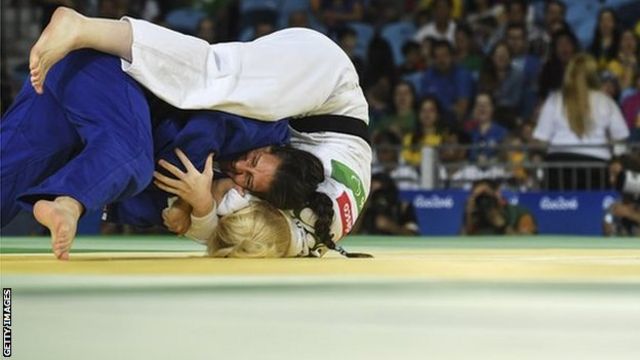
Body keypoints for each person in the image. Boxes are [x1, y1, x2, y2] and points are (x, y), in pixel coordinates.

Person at [29, 8, 372, 253]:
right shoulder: (290, 223)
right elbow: (223, 222)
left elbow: (228, 233)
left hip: (312, 98)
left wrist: (193, 212)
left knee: (203, 112)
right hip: (327, 80)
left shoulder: (298, 223)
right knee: (212, 76)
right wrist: (199, 210)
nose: (239, 177)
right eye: (249, 176)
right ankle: (82, 27)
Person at [0, 50, 291, 259]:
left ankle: (67, 199)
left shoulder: (205, 198)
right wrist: (185, 204)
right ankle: (68, 202)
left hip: (69, 96)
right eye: (252, 163)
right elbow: (205, 127)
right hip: (106, 73)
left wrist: (190, 208)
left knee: (7, 180)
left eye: (247, 183)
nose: (240, 170)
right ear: (270, 149)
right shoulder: (265, 126)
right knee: (134, 159)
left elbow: (129, 202)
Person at [533, 54, 629, 190]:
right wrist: (617, 158)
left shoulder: (554, 100)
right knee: (594, 209)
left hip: (558, 165)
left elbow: (541, 139)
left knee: (558, 209)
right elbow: (620, 137)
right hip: (596, 166)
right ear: (594, 75)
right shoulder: (606, 101)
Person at [461, 179, 537, 235]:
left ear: (498, 194)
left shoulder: (520, 213)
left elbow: (529, 242)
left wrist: (502, 225)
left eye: (487, 196)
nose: (484, 201)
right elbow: (461, 245)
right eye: (480, 197)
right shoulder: (474, 215)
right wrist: (468, 217)